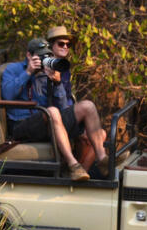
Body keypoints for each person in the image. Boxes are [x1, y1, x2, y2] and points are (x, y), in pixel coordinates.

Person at [0, 38, 104, 182]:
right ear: (29, 55)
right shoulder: (13, 69)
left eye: (47, 56)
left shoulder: (47, 71)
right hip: (21, 125)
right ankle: (73, 165)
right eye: (41, 56)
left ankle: (102, 158)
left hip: (47, 122)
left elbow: (64, 108)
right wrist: (28, 72)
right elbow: (7, 95)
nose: (44, 60)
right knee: (52, 112)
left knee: (88, 106)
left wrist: (57, 82)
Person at [44, 25, 109, 175]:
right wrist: (58, 83)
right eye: (61, 44)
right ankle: (83, 166)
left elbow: (67, 100)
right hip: (51, 118)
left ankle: (81, 173)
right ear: (51, 46)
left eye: (68, 44)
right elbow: (57, 106)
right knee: (87, 106)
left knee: (101, 134)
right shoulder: (45, 67)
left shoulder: (63, 68)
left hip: (65, 115)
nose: (65, 47)